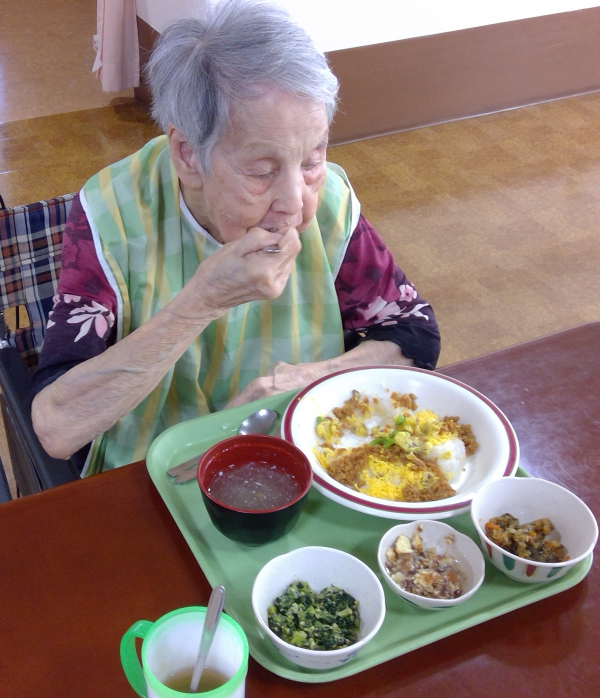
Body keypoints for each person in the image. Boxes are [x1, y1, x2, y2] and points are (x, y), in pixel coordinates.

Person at [31, 0, 440, 476]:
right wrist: (202, 301)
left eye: (311, 159)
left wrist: (305, 381)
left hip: (297, 445)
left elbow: (413, 333)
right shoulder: (113, 215)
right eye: (263, 171)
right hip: (158, 466)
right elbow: (57, 427)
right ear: (188, 155)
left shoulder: (328, 200)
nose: (296, 203)